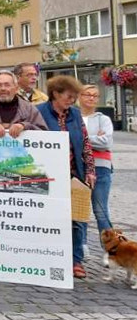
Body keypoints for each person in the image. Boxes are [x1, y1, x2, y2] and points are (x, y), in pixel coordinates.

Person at [36, 76, 96, 280]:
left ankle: (75, 260)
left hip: (74, 173)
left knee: (77, 218)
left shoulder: (76, 115)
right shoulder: (39, 112)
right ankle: (48, 256)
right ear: (55, 94)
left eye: (74, 97)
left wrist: (90, 170)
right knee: (48, 218)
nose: (72, 101)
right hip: (47, 175)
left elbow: (85, 144)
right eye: (69, 96)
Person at [79, 84, 114, 265]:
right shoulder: (73, 117)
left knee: (101, 210)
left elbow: (106, 142)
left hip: (101, 167)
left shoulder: (104, 120)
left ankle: (111, 250)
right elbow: (68, 138)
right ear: (80, 96)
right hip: (79, 167)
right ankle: (81, 246)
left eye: (95, 95)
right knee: (81, 208)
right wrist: (93, 138)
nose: (91, 98)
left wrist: (82, 139)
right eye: (87, 95)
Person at [0, 70, 47, 136]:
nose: (3, 89)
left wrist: (24, 126)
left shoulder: (29, 109)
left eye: (7, 85)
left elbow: (44, 133)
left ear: (16, 88)